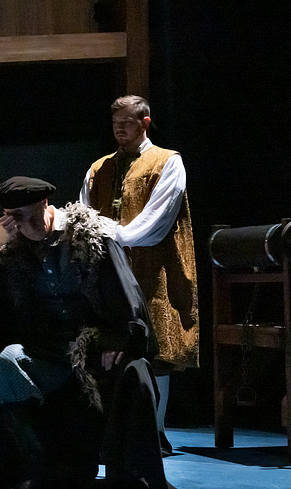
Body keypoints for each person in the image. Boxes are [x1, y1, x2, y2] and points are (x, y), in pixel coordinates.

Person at [0, 176, 188, 489]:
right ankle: (36, 471)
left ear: (45, 205)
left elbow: (126, 299)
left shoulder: (89, 237)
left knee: (132, 371)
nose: (19, 225)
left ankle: (129, 477)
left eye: (24, 215)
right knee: (8, 361)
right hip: (44, 350)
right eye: (11, 217)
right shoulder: (11, 250)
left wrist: (119, 338)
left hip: (91, 349)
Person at [81, 95, 199, 455]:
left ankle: (155, 431)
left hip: (155, 266)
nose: (120, 128)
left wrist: (115, 236)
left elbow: (157, 219)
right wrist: (93, 242)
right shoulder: (98, 167)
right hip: (109, 269)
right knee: (107, 345)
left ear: (145, 123)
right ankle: (112, 430)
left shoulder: (167, 162)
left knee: (157, 347)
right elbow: (84, 213)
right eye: (116, 121)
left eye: (128, 122)